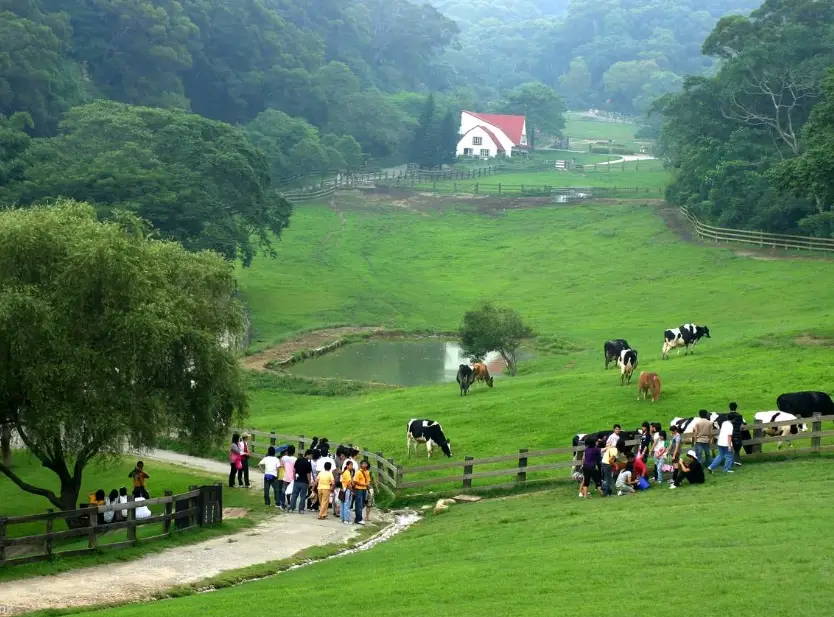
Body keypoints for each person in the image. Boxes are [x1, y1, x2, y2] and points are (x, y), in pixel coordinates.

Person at [289, 449, 313, 513]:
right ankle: (301, 509)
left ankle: (291, 508)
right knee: (303, 496)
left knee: (294, 495)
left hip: (297, 480)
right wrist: (309, 482)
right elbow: (308, 474)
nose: (311, 457)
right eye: (311, 456)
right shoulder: (308, 463)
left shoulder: (298, 460)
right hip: (304, 482)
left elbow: (294, 470)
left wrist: (294, 477)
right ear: (309, 454)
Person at [352, 460, 372, 525]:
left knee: (363, 504)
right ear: (361, 465)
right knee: (359, 504)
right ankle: (359, 519)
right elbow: (356, 482)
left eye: (365, 463)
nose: (364, 465)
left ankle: (357, 517)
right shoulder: (358, 473)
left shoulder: (367, 472)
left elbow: (368, 481)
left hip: (364, 490)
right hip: (358, 489)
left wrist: (368, 489)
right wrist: (364, 485)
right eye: (363, 463)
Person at [278, 445, 296, 509]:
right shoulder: (295, 459)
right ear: (294, 452)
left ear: (287, 451)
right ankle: (290, 503)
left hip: (285, 477)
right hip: (292, 478)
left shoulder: (283, 458)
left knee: (283, 491)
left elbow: (282, 466)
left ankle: (283, 504)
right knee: (291, 491)